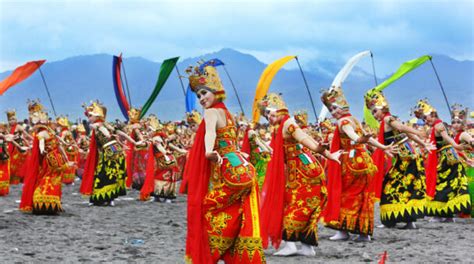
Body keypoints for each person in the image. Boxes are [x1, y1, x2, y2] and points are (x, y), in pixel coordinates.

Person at [180, 63, 265, 263]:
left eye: (204, 93)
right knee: (234, 210)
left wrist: (209, 151)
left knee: (205, 209)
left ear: (215, 90)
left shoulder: (211, 113)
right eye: (198, 96)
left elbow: (210, 133)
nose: (201, 99)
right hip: (239, 168)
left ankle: (211, 253)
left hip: (225, 170)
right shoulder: (227, 114)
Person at [258, 93, 341, 256]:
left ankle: (290, 245)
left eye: (271, 112)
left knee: (295, 205)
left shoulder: (287, 123)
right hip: (299, 171)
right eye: (266, 114)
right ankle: (307, 247)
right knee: (300, 205)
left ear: (280, 110)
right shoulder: (278, 127)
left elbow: (303, 137)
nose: (269, 116)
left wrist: (323, 152)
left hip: (304, 172)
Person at [320, 86, 396, 242]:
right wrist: (383, 147)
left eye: (335, 108)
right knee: (363, 196)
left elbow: (354, 136)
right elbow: (365, 138)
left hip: (351, 163)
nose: (333, 112)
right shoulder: (354, 119)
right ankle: (363, 232)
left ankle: (343, 231)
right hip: (364, 162)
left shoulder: (344, 121)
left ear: (342, 105)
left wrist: (360, 140)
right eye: (330, 109)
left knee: (346, 195)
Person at [365, 91, 434, 229]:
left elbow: (403, 129)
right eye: (372, 112)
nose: (374, 115)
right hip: (407, 155)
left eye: (375, 111)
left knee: (392, 187)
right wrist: (423, 143)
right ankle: (406, 221)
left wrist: (419, 133)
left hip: (405, 157)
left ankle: (394, 220)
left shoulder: (387, 119)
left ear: (382, 108)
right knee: (407, 187)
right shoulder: (389, 119)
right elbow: (406, 134)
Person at [413, 99, 471, 222]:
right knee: (449, 184)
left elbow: (446, 138)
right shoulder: (436, 126)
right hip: (450, 156)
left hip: (446, 158)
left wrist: (456, 145)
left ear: (433, 115)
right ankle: (448, 215)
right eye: (423, 118)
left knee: (440, 183)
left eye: (426, 117)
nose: (425, 120)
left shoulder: (439, 125)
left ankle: (439, 214)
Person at [80, 101, 141, 206]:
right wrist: (131, 142)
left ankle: (101, 198)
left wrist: (107, 134)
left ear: (96, 117)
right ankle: (110, 198)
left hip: (108, 152)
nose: (89, 118)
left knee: (103, 174)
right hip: (116, 150)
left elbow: (104, 130)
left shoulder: (97, 125)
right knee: (113, 175)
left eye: (91, 116)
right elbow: (119, 133)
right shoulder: (106, 124)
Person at [19, 100, 72, 214]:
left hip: (53, 158)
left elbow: (53, 141)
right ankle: (48, 200)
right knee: (51, 178)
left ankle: (48, 200)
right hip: (52, 159)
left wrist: (63, 147)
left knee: (51, 178)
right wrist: (43, 149)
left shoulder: (46, 132)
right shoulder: (45, 132)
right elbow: (47, 143)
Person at [450, 104, 474, 218]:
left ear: (463, 124)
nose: (455, 124)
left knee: (465, 187)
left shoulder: (463, 134)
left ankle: (466, 212)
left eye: (458, 122)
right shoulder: (454, 135)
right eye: (453, 122)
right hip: (457, 164)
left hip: (465, 164)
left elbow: (472, 141)